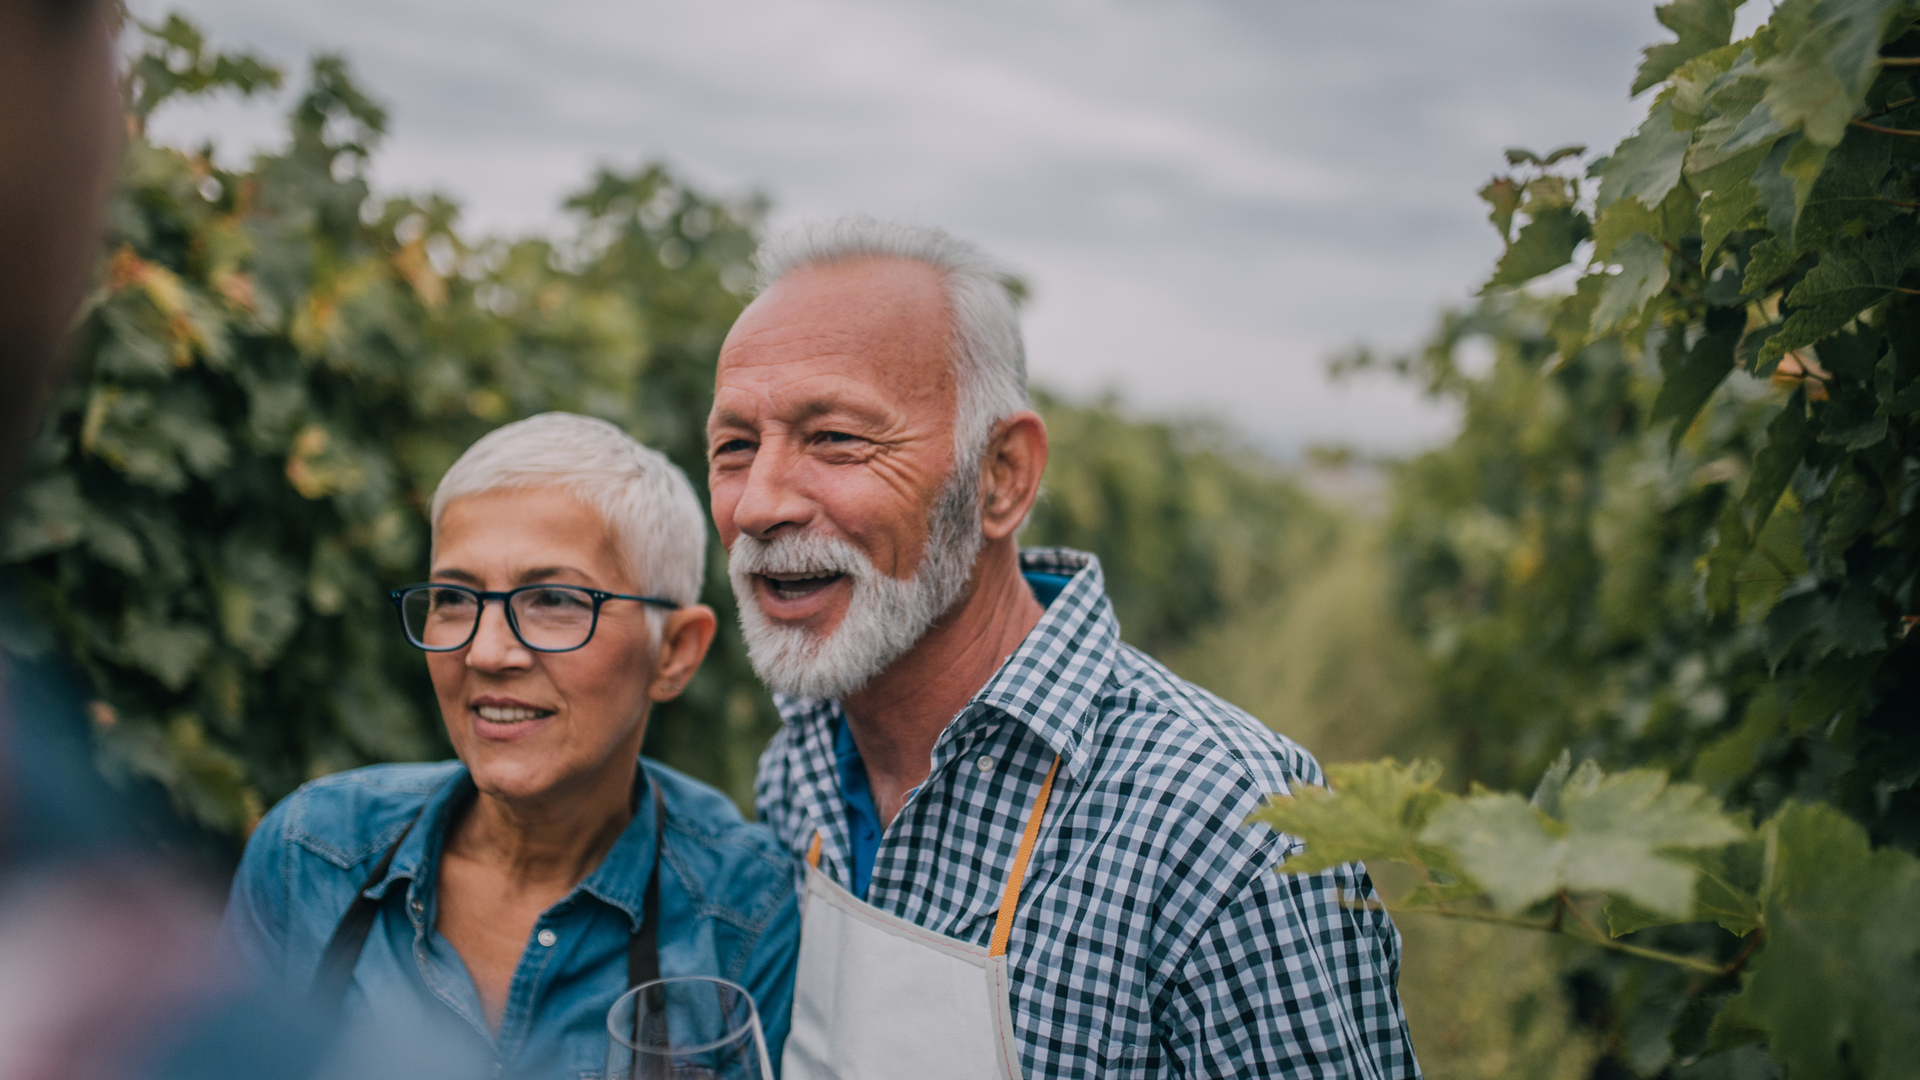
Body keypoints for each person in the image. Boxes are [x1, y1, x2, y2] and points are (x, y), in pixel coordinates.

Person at [707, 217, 1420, 1079]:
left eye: (836, 439)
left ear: (1001, 475)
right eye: (735, 447)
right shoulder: (802, 763)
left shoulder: (1229, 828)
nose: (757, 506)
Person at [218, 413, 800, 1077]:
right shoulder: (310, 859)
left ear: (674, 651)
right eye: (454, 598)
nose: (486, 652)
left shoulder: (745, 919)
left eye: (553, 598)